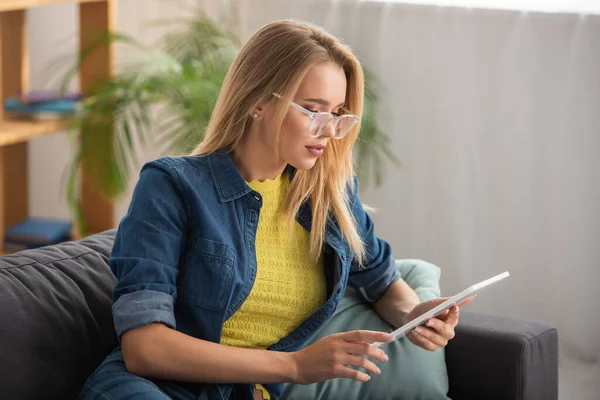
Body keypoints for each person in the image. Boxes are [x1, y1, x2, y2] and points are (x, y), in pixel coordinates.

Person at [78, 19, 464, 400]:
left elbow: (382, 282)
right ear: (259, 102)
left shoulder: (331, 197)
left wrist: (415, 316)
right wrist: (294, 367)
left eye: (338, 114)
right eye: (314, 111)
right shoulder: (173, 186)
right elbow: (145, 348)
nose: (329, 132)